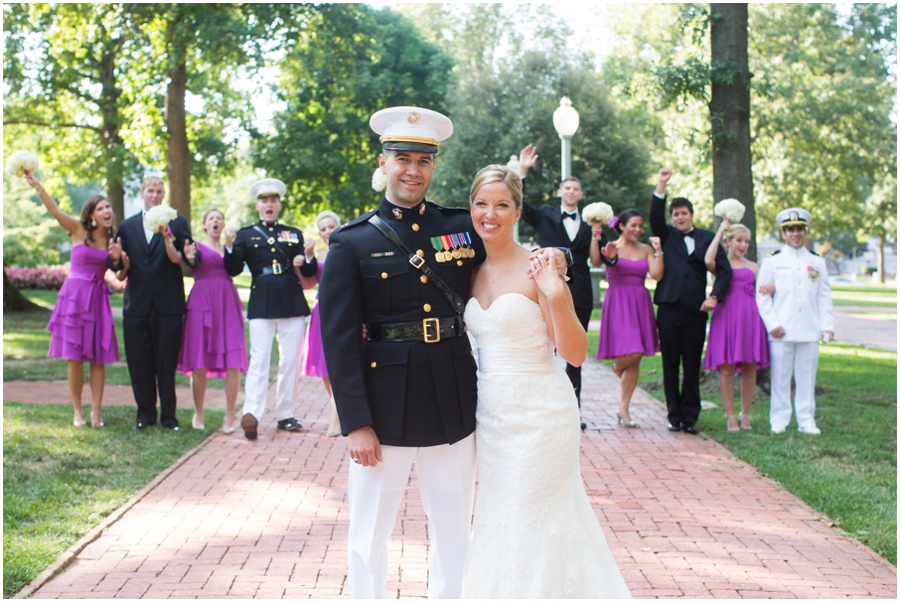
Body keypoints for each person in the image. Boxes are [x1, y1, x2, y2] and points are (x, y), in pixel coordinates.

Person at [318, 106, 568, 598]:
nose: (413, 170)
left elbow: (510, 250)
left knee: (454, 535)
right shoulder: (351, 242)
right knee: (368, 535)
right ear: (384, 162)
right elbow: (338, 340)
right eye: (402, 158)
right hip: (383, 409)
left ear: (434, 166)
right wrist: (356, 422)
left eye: (423, 160)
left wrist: (561, 257)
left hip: (452, 401)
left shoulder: (460, 226)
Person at [461, 165, 631, 598]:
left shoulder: (540, 267)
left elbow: (574, 353)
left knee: (535, 516)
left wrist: (555, 292)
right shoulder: (468, 270)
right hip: (492, 417)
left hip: (542, 413)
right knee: (501, 515)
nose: (490, 214)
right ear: (470, 208)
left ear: (519, 212)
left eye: (502, 205)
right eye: (482, 203)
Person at [517, 144, 618, 429]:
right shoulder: (546, 214)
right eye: (567, 187)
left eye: (576, 188)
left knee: (575, 353)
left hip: (581, 290)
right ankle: (541, 409)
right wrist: (522, 171)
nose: (571, 191)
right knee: (544, 349)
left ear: (581, 195)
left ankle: (574, 410)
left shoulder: (590, 224)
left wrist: (600, 237)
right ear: (561, 192)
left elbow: (598, 258)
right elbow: (519, 206)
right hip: (545, 287)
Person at [223, 178, 317, 440]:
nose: (269, 205)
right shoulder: (245, 234)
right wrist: (229, 247)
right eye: (264, 201)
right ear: (257, 206)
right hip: (261, 300)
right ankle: (251, 414)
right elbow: (232, 269)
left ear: (279, 205)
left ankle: (285, 413)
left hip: (290, 298)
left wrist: (308, 256)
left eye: (273, 201)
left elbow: (308, 273)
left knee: (289, 360)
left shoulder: (293, 233)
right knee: (260, 359)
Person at [26, 172, 119, 428]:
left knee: (98, 358)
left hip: (98, 299)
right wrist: (38, 186)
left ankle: (96, 411)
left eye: (108, 206)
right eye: (100, 208)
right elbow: (55, 210)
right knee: (75, 358)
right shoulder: (78, 229)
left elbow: (122, 270)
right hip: (74, 299)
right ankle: (78, 410)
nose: (106, 210)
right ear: (91, 215)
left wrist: (122, 258)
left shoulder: (114, 240)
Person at [107, 175, 199, 431]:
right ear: (142, 192)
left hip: (168, 305)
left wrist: (187, 253)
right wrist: (117, 259)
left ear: (163, 193)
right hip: (136, 306)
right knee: (139, 364)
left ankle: (169, 417)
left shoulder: (177, 223)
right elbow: (120, 270)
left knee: (166, 363)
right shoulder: (127, 227)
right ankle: (145, 415)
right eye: (150, 191)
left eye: (159, 191)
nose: (155, 195)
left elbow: (187, 257)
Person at [649, 168, 732, 435]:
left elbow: (724, 270)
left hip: (696, 309)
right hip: (669, 307)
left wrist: (715, 296)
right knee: (670, 363)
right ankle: (674, 416)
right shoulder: (666, 235)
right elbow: (654, 216)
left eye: (684, 213)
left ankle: (691, 417)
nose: (680, 217)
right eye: (676, 214)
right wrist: (661, 185)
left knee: (692, 363)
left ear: (691, 215)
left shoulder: (708, 238)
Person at [756, 208, 834, 435]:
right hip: (782, 329)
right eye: (790, 229)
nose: (795, 233)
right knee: (780, 378)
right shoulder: (773, 262)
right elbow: (762, 296)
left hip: (809, 328)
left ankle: (806, 420)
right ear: (783, 233)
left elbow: (824, 296)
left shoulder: (817, 262)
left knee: (806, 377)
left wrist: (827, 326)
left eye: (800, 229)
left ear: (805, 231)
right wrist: (772, 324)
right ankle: (779, 419)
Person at [590, 209, 663, 428]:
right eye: (633, 225)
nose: (638, 230)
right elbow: (595, 260)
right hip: (618, 302)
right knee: (633, 351)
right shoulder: (612, 247)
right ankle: (617, 367)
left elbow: (657, 275)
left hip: (640, 302)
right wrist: (596, 238)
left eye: (640, 226)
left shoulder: (646, 249)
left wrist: (659, 251)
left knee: (636, 355)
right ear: (621, 226)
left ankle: (624, 408)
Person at [176, 209, 248, 433]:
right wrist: (187, 258)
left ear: (223, 224)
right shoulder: (195, 246)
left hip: (226, 302)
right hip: (201, 301)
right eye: (211, 219)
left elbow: (234, 269)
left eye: (219, 218)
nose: (215, 221)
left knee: (233, 364)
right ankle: (199, 412)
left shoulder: (231, 247)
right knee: (199, 363)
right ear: (205, 225)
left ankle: (229, 416)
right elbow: (191, 261)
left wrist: (229, 246)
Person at [702, 220, 770, 431]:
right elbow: (707, 259)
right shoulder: (721, 265)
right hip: (726, 317)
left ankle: (746, 414)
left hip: (750, 319)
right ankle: (730, 414)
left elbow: (763, 293)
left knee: (750, 368)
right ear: (728, 241)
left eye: (746, 241)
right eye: (739, 240)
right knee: (726, 368)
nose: (743, 245)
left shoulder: (754, 267)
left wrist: (771, 288)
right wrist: (720, 230)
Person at [300, 210, 341, 437]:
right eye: (323, 228)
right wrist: (305, 257)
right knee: (325, 367)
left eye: (331, 226)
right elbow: (308, 280)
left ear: (339, 227)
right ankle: (338, 409)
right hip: (321, 311)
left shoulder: (346, 250)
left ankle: (336, 417)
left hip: (342, 310)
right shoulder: (318, 255)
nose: (327, 232)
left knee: (338, 364)